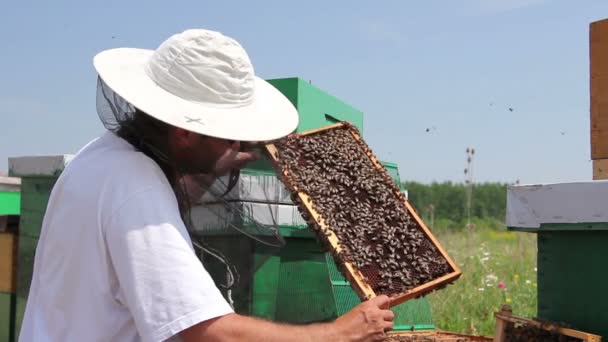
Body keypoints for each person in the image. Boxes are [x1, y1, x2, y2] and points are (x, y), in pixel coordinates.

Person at [18, 29, 394, 342]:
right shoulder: (136, 186)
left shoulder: (100, 156)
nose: (240, 143)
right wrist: (340, 332)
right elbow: (209, 333)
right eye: (229, 134)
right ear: (184, 132)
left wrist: (230, 156)